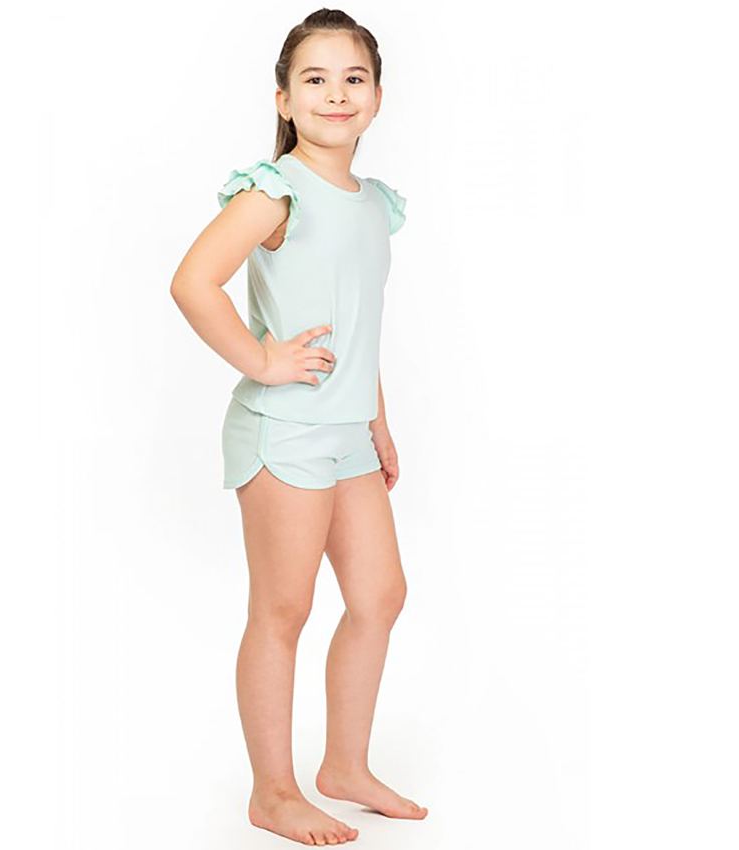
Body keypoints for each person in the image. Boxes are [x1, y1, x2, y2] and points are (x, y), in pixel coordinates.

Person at [170, 9, 427, 846]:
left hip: (348, 432)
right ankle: (272, 792)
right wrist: (261, 359)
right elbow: (193, 282)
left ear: (378, 96)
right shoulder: (273, 191)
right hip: (284, 431)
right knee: (283, 610)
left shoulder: (373, 204)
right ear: (283, 98)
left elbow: (357, 324)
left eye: (354, 78)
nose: (336, 93)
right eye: (315, 79)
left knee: (380, 596)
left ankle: (343, 766)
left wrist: (379, 422)